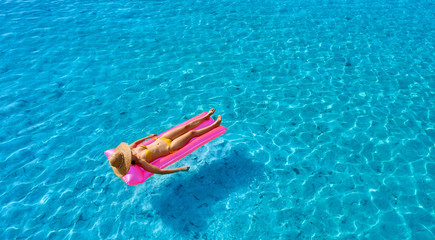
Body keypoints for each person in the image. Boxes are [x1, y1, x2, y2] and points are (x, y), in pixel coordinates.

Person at [109, 109, 222, 177]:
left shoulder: (131, 149)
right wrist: (179, 169)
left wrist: (147, 137)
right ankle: (214, 125)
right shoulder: (142, 162)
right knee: (191, 133)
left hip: (162, 139)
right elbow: (160, 171)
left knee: (186, 126)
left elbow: (134, 143)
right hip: (170, 147)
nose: (127, 151)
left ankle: (206, 117)